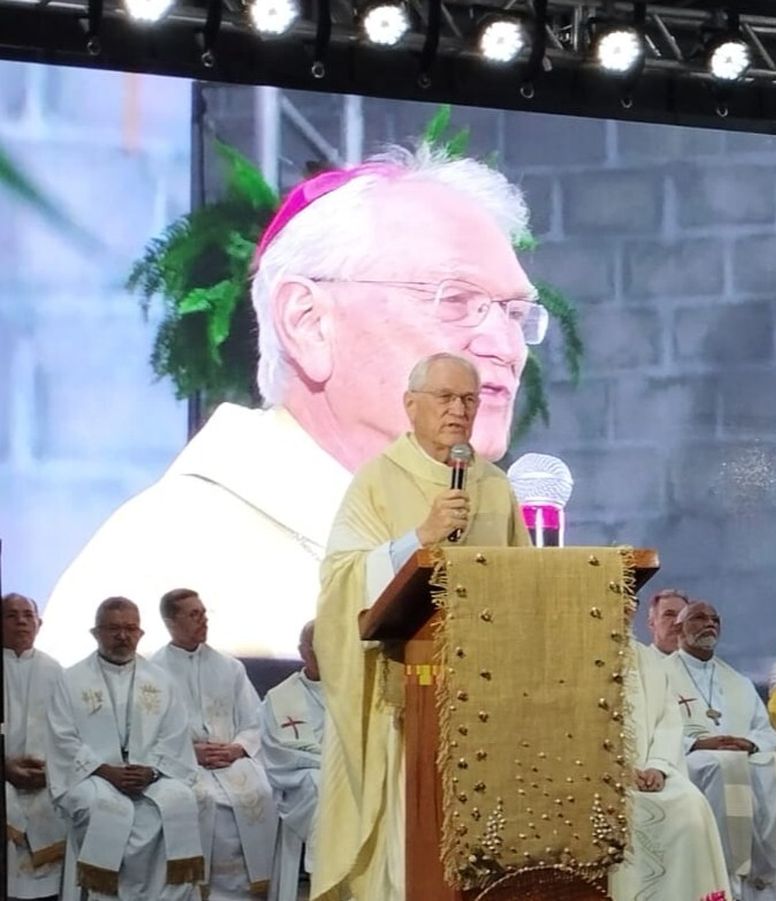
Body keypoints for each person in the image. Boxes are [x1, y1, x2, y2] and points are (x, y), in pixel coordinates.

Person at [42, 142, 546, 663]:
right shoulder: (174, 556)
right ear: (308, 322)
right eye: (457, 300)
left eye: (514, 314)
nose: (506, 347)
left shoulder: (480, 534)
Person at [314, 352, 531, 900]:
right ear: (411, 405)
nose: (459, 410)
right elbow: (342, 578)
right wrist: (420, 537)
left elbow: (524, 578)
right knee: (412, 835)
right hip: (408, 692)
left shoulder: (495, 486)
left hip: (483, 694)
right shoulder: (377, 480)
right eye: (445, 398)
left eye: (469, 400)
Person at [46, 597, 207, 900]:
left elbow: (175, 735)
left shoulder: (161, 680)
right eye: (114, 629)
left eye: (130, 629)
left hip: (150, 774)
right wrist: (108, 771)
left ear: (141, 633)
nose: (123, 636)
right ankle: (106, 895)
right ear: (96, 633)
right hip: (94, 776)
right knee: (98, 807)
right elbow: (62, 738)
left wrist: (152, 771)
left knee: (181, 799)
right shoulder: (71, 680)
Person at [149, 589, 276, 899]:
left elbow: (255, 719)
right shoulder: (152, 672)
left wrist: (237, 748)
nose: (203, 620)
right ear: (170, 622)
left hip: (230, 758)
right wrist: (188, 752)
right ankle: (201, 892)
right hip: (183, 763)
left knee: (261, 792)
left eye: (204, 613)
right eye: (194, 615)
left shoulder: (230, 667)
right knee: (198, 799)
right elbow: (146, 732)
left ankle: (251, 890)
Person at [666, 602, 776, 901]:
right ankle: (724, 876)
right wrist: (697, 743)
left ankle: (761, 879)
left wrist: (749, 743)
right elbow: (650, 728)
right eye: (699, 618)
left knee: (773, 766)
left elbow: (767, 731)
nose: (710, 624)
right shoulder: (660, 675)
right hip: (686, 764)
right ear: (678, 628)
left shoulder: (738, 682)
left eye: (715, 619)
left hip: (739, 761)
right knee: (720, 764)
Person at [613, 640, 734, 901]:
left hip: (649, 769)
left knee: (691, 806)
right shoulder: (574, 651)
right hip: (601, 778)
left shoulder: (646, 658)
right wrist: (618, 769)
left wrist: (657, 766)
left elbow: (668, 721)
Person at [4, 592, 67, 899]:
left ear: (39, 623)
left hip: (46, 776)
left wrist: (52, 769)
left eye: (28, 615)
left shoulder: (56, 671)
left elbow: (71, 733)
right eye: (12, 615)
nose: (21, 622)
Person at [260, 621, 325, 876]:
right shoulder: (280, 698)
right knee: (321, 785)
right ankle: (323, 874)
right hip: (297, 779)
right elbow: (278, 752)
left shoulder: (350, 689)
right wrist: (327, 762)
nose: (322, 654)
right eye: (315, 648)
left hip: (344, 769)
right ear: (302, 651)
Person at [642, 589, 690, 658]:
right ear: (651, 623)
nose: (678, 621)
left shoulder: (703, 666)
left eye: (683, 615)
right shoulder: (636, 662)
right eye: (669, 615)